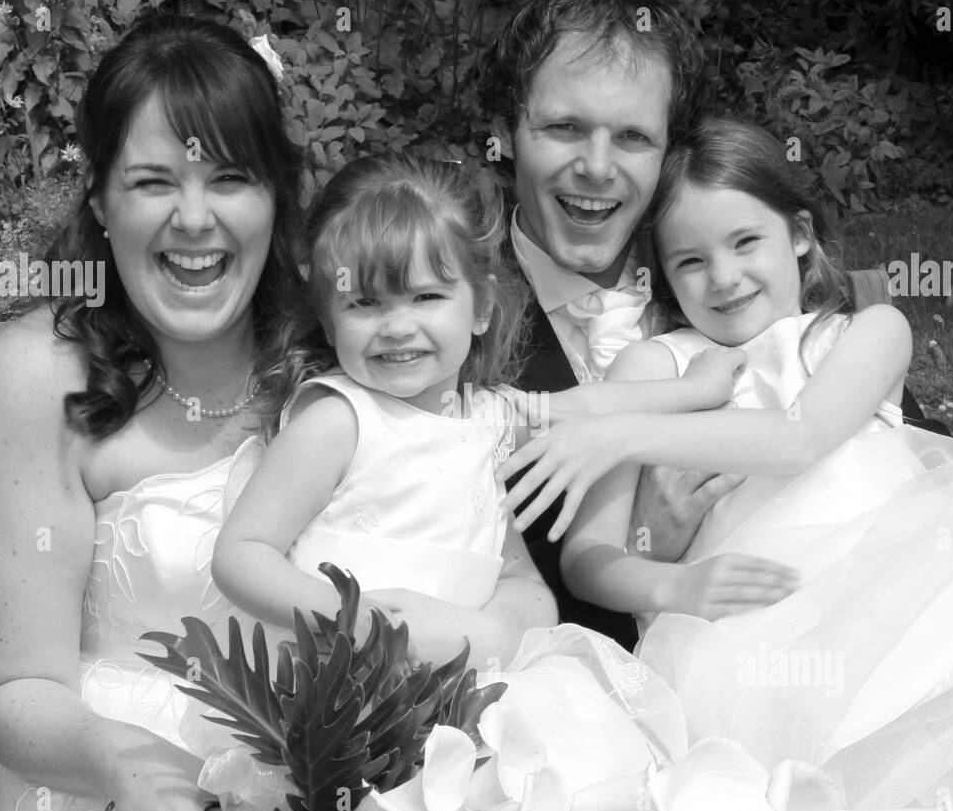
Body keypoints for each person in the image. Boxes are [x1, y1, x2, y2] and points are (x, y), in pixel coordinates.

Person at [0, 16, 554, 811]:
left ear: (276, 196)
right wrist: (123, 762)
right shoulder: (42, 374)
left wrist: (474, 645)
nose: (195, 219)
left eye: (230, 178)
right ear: (101, 202)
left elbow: (506, 571)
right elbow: (13, 685)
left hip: (371, 806)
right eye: (153, 182)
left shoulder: (352, 347)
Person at [500, 117, 953, 811]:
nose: (725, 278)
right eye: (691, 261)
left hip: (916, 617)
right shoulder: (654, 364)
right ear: (663, 277)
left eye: (746, 243)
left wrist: (607, 426)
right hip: (762, 662)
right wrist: (666, 582)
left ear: (799, 235)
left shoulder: (864, 333)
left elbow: (799, 439)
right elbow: (591, 562)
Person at [477, 0, 945, 649]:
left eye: (634, 137)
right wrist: (654, 544)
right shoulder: (448, 328)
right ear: (506, 133)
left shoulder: (737, 288)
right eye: (564, 128)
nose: (598, 168)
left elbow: (900, 448)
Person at [212, 153, 744, 667]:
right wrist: (351, 617)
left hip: (463, 692)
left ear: (482, 308)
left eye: (425, 297)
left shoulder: (486, 421)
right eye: (365, 303)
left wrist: (693, 390)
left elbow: (589, 406)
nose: (397, 326)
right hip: (339, 695)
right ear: (330, 323)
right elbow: (242, 553)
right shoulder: (338, 421)